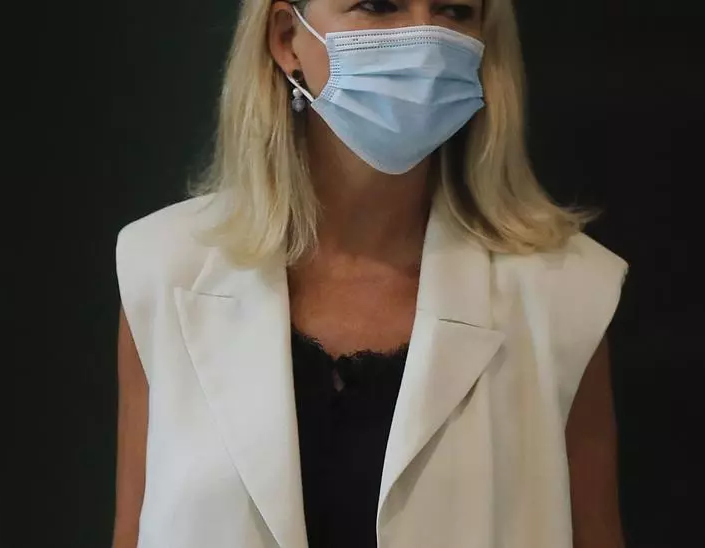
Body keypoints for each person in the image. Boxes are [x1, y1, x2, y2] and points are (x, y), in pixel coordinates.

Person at [112, 0, 629, 547]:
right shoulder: (166, 271)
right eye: (379, 5)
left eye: (455, 11)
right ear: (287, 38)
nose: (424, 40)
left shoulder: (564, 295)